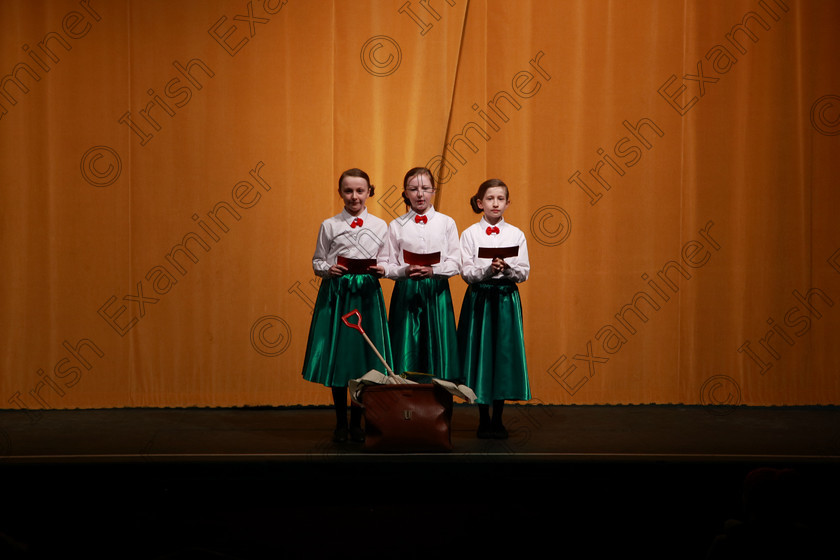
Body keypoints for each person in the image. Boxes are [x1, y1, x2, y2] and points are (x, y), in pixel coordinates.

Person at [301, 168, 392, 443]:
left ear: (369, 192)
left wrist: (381, 269)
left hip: (366, 294)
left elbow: (387, 259)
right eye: (349, 191)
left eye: (360, 191)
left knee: (365, 356)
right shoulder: (329, 224)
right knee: (339, 356)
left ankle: (357, 422)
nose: (354, 196)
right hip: (338, 294)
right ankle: (341, 423)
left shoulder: (380, 225)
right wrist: (329, 269)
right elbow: (317, 261)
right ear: (341, 192)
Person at [458, 178, 531, 439]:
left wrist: (508, 269)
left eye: (500, 199)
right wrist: (488, 270)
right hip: (480, 298)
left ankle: (498, 418)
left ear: (508, 203)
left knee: (502, 355)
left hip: (505, 298)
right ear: (480, 203)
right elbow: (466, 272)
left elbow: (524, 272)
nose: (495, 203)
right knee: (480, 353)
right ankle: (482, 418)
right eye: (490, 198)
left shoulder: (516, 234)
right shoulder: (469, 234)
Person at [382, 167, 461, 382]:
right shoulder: (396, 225)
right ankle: (405, 407)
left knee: (437, 349)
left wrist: (434, 271)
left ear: (433, 191)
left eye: (425, 188)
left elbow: (456, 262)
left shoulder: (447, 223)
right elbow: (386, 266)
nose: (420, 194)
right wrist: (404, 271)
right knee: (405, 349)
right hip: (406, 291)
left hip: (436, 291)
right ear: (405, 193)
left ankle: (437, 408)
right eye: (413, 189)